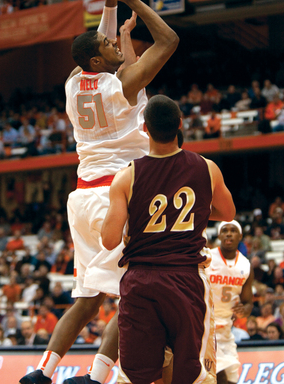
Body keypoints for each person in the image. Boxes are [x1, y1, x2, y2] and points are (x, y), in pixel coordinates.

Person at [20, 0, 179, 384]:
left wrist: (107, 3)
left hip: (82, 198)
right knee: (134, 291)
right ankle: (95, 377)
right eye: (108, 45)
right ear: (97, 59)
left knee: (87, 298)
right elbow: (169, 40)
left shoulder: (75, 82)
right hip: (117, 197)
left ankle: (43, 372)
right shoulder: (123, 85)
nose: (115, 44)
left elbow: (99, 42)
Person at [101, 95, 236, 384]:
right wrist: (193, 214)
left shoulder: (126, 177)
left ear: (145, 129)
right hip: (186, 281)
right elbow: (227, 213)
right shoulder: (207, 167)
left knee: (135, 377)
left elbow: (109, 240)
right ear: (180, 124)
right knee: (195, 375)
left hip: (140, 281)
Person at [206, 220, 254, 384]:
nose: (228, 233)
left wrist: (245, 310)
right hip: (204, 326)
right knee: (221, 376)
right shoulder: (207, 257)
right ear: (219, 235)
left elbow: (248, 303)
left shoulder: (246, 265)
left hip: (226, 329)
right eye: (224, 230)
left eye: (233, 230)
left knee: (232, 379)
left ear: (240, 236)